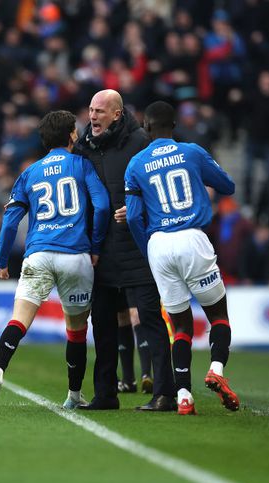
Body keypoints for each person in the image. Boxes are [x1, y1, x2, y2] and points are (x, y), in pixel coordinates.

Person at [0, 110, 109, 411]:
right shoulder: (82, 165)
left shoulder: (30, 172)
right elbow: (101, 207)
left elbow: (10, 221)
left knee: (18, 320)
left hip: (38, 253)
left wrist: (1, 261)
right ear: (72, 135)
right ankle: (74, 395)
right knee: (76, 329)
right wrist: (97, 247)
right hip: (75, 255)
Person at [124, 101, 240, 415]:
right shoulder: (192, 152)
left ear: (146, 127)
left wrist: (147, 247)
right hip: (192, 238)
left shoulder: (135, 164)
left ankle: (184, 396)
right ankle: (216, 368)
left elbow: (133, 218)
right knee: (218, 315)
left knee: (180, 326)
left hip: (159, 245)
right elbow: (227, 186)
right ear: (174, 125)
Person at [73, 89, 175, 411]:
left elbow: (156, 190)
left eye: (100, 111)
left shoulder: (140, 144)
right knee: (102, 325)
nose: (93, 117)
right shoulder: (82, 148)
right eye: (90, 111)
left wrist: (136, 208)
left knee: (150, 321)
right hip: (100, 251)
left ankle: (164, 393)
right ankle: (105, 394)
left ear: (117, 114)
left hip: (136, 249)